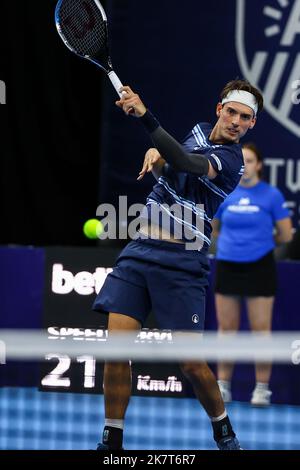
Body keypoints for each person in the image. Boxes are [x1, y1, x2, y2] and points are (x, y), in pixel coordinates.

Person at [93, 79, 264, 450]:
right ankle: (111, 440)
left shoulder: (233, 162)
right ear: (219, 109)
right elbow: (175, 167)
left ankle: (223, 430)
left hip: (183, 264)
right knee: (116, 351)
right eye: (231, 112)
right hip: (140, 252)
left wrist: (146, 119)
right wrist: (158, 157)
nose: (236, 121)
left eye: (245, 117)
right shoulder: (199, 131)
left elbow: (186, 162)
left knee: (190, 364)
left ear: (252, 124)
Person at [212, 142, 292, 406]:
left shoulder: (272, 196)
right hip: (227, 265)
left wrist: (258, 243)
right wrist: (232, 245)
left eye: (250, 161)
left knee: (261, 331)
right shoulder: (225, 193)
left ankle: (261, 390)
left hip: (260, 267)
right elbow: (213, 229)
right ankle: (222, 387)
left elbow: (285, 234)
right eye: (241, 161)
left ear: (259, 165)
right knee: (227, 330)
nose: (245, 167)